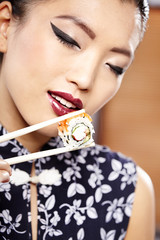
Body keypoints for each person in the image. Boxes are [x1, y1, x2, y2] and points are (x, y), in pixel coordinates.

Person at [0, 0, 155, 239]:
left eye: (115, 67)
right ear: (5, 25)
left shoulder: (126, 190)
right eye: (69, 39)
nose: (85, 79)